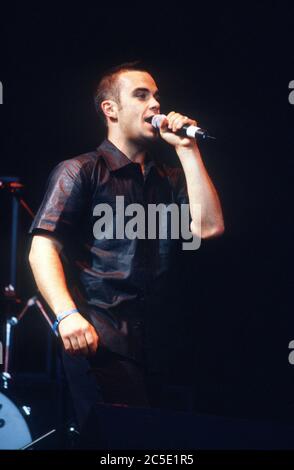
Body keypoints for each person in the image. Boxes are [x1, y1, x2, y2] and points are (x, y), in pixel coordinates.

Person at [28, 63, 224, 429]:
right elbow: (43, 248)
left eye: (156, 95)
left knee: (171, 448)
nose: (155, 104)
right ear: (111, 109)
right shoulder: (80, 171)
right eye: (141, 95)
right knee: (122, 444)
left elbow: (209, 227)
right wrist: (67, 314)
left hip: (166, 346)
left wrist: (187, 149)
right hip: (103, 341)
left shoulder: (170, 178)